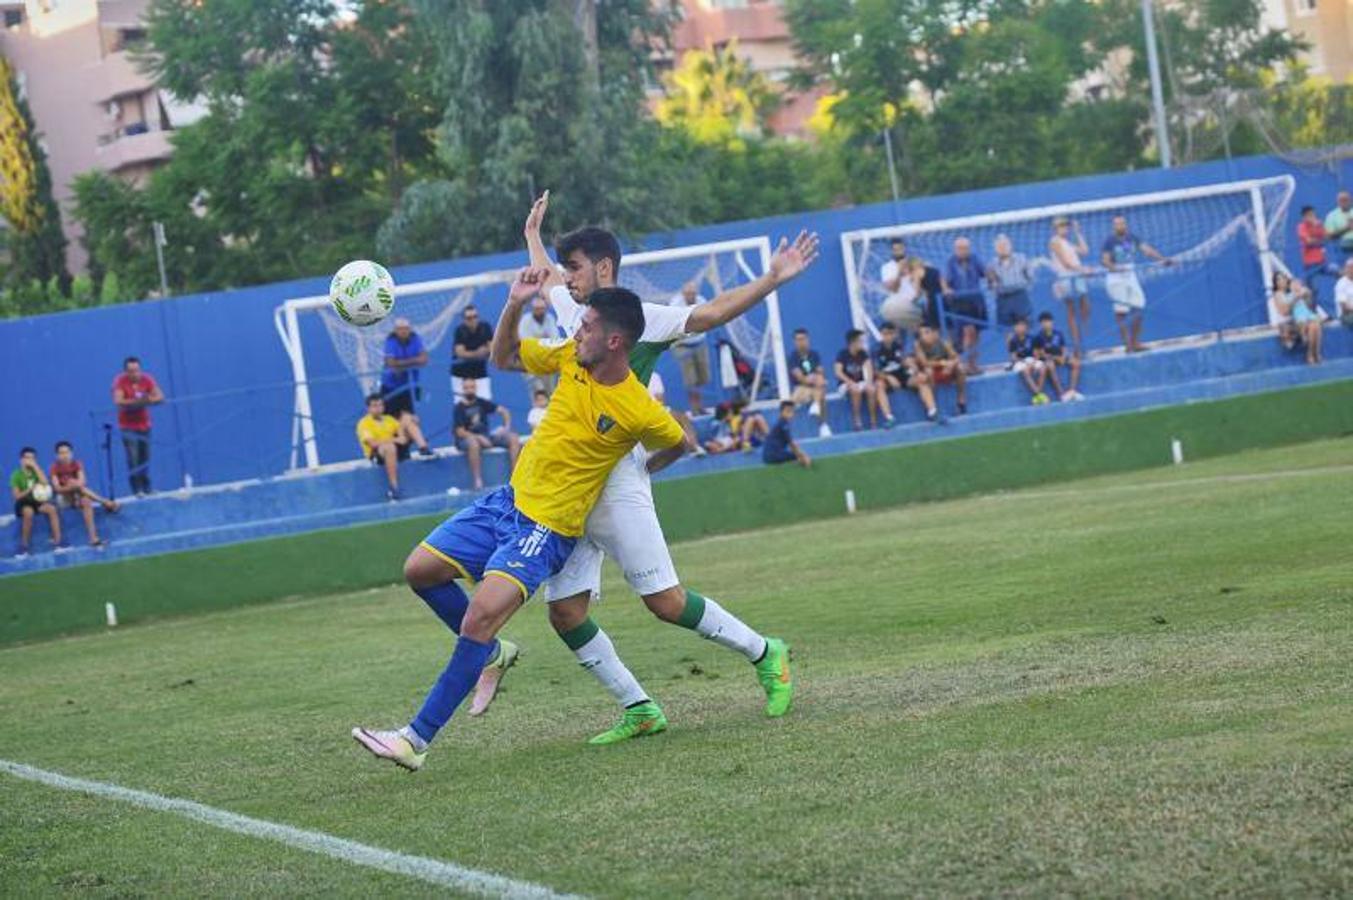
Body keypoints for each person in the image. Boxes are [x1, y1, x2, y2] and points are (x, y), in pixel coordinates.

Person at [352, 268, 691, 771]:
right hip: (505, 503)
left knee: (480, 617)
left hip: (545, 529)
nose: (577, 331)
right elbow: (504, 357)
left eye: (588, 326)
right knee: (420, 571)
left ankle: (414, 739)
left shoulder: (638, 408)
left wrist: (641, 469)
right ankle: (489, 656)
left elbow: (680, 443)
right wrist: (513, 304)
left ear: (615, 340)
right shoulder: (570, 357)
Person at [521, 192, 811, 743]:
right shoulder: (576, 312)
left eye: (575, 267)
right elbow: (544, 278)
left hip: (616, 479)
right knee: (564, 613)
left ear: (604, 268)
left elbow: (711, 312)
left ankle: (764, 651)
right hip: (569, 485)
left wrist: (772, 278)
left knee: (665, 602)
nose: (567, 278)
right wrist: (532, 235)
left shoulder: (644, 318)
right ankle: (640, 708)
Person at [1100, 215, 1173, 354]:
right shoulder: (1109, 241)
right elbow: (1105, 260)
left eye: (1122, 223)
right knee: (1121, 311)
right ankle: (1127, 344)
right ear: (1113, 226)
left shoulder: (1132, 238)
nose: (1120, 226)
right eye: (1117, 224)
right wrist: (1114, 268)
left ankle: (1136, 342)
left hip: (1130, 275)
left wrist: (1162, 259)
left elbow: (1147, 250)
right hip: (1116, 278)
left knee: (1139, 306)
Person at [453, 378, 521, 491]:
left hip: (486, 436)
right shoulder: (459, 408)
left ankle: (515, 476)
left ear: (476, 388)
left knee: (513, 437)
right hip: (466, 440)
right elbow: (460, 431)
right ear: (463, 390)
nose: (469, 390)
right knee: (473, 443)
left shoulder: (481, 402)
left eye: (472, 387)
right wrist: (478, 438)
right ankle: (477, 480)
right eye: (466, 388)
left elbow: (504, 411)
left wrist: (506, 427)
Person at [380, 318, 435, 458]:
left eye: (406, 328)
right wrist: (412, 361)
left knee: (409, 418)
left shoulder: (415, 338)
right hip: (390, 387)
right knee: (392, 421)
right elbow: (391, 363)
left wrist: (402, 364)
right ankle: (409, 449)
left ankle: (419, 447)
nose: (403, 331)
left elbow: (424, 359)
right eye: (400, 329)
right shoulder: (390, 341)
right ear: (395, 330)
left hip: (408, 387)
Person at [50, 440, 118, 549]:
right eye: (61, 453)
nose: (64, 455)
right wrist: (71, 486)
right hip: (64, 499)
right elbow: (57, 488)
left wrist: (74, 484)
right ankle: (105, 502)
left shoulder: (76, 464)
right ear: (57, 455)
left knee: (86, 500)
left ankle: (93, 539)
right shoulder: (54, 467)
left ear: (71, 453)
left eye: (67, 452)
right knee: (78, 487)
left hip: (77, 495)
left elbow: (83, 481)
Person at [111, 356, 163, 496]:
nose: (134, 374)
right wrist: (138, 402)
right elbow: (118, 400)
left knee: (145, 457)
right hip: (127, 426)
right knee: (133, 458)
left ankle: (147, 487)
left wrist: (147, 400)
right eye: (131, 371)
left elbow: (160, 397)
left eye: (136, 370)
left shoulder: (147, 379)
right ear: (125, 372)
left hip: (144, 424)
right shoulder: (120, 381)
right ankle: (137, 489)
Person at [873, 322, 940, 425]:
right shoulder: (875, 349)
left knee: (921, 380)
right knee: (879, 385)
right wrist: (888, 377)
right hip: (887, 378)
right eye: (885, 334)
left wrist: (914, 369)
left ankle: (933, 412)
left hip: (902, 375)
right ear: (881, 335)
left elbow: (906, 361)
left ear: (894, 334)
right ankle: (889, 417)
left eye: (890, 333)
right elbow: (875, 371)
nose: (888, 336)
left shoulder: (899, 346)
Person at [940, 236, 988, 373]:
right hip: (960, 301)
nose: (963, 251)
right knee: (968, 332)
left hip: (976, 301)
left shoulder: (975, 259)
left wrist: (992, 278)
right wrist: (946, 289)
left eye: (965, 248)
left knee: (976, 334)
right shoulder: (950, 261)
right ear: (955, 249)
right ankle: (965, 364)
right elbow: (944, 279)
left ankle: (973, 363)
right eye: (960, 248)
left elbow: (985, 272)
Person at [1049, 216, 1093, 357]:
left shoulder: (1067, 242)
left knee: (1085, 307)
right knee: (1071, 311)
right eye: (1061, 226)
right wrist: (1083, 269)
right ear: (1055, 229)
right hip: (1066, 278)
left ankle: (1081, 339)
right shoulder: (1054, 242)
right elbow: (1066, 262)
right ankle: (1077, 346)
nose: (1064, 229)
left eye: (1066, 226)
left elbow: (1085, 251)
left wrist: (1078, 233)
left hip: (1077, 277)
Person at [356, 393, 411, 501]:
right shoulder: (364, 423)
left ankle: (425, 449)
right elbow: (373, 443)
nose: (378, 408)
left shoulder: (389, 419)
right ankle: (394, 487)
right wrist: (394, 440)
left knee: (408, 420)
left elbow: (403, 439)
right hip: (376, 454)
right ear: (368, 408)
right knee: (389, 447)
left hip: (395, 449)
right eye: (375, 406)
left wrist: (398, 439)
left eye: (380, 405)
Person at [11, 447, 63, 557]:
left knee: (52, 509)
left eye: (33, 458)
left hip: (37, 502)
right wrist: (30, 489)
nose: (30, 460)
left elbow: (45, 483)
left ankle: (58, 544)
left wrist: (35, 467)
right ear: (21, 460)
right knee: (28, 513)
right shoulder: (16, 475)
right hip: (23, 503)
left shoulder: (36, 472)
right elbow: (17, 496)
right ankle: (24, 547)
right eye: (27, 458)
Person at [670, 282, 711, 414]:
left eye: (693, 293)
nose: (690, 296)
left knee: (702, 378)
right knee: (691, 380)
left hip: (699, 342)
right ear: (683, 294)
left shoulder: (702, 301)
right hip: (683, 346)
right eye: (688, 294)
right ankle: (695, 408)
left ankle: (700, 406)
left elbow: (706, 320)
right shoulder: (675, 304)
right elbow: (679, 326)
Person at [914, 324, 967, 415]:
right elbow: (924, 363)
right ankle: (933, 405)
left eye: (927, 332)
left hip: (946, 370)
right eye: (921, 334)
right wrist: (942, 363)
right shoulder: (918, 345)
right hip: (932, 371)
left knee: (961, 368)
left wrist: (951, 365)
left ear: (935, 333)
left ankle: (961, 400)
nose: (924, 336)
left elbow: (956, 358)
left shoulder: (944, 343)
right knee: (928, 371)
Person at [1032, 311, 1084, 401]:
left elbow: (1063, 348)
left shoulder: (1058, 333)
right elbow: (1039, 354)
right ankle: (1061, 394)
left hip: (1060, 357)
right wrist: (1055, 358)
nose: (1046, 324)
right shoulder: (1038, 337)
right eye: (1044, 322)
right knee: (1050, 366)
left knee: (1076, 363)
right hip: (1048, 359)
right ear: (1041, 324)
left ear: (1052, 322)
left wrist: (1063, 356)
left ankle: (1072, 391)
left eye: (1048, 321)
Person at [789, 328, 831, 437]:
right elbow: (799, 377)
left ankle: (816, 406)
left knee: (820, 386)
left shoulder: (814, 355)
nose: (801, 342)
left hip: (815, 387)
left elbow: (821, 371)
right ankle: (823, 425)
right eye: (798, 340)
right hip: (801, 388)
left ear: (808, 340)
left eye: (803, 339)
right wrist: (812, 378)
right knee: (820, 388)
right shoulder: (793, 357)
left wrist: (817, 378)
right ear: (794, 342)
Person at [1297, 205, 1340, 311]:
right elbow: (1308, 241)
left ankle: (1341, 307)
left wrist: (1318, 234)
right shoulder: (1301, 227)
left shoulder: (1319, 224)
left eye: (1314, 214)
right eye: (1310, 215)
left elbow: (1326, 237)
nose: (1313, 216)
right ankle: (1313, 314)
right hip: (1310, 264)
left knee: (1339, 273)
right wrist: (1319, 241)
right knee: (1313, 290)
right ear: (1305, 216)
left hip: (1322, 262)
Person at [834, 328, 877, 430]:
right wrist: (850, 382)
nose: (862, 343)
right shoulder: (842, 354)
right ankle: (857, 420)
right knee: (855, 390)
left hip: (859, 382)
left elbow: (869, 367)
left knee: (871, 389)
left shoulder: (863, 353)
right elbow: (838, 372)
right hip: (845, 384)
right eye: (860, 341)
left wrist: (869, 382)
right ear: (853, 342)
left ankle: (873, 421)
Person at [988, 234, 1034, 327]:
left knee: (1024, 327)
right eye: (1000, 246)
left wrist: (1025, 287)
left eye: (1005, 245)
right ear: (996, 249)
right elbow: (991, 285)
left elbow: (1030, 276)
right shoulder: (992, 264)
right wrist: (993, 283)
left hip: (1020, 297)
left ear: (1011, 245)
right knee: (1006, 328)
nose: (1003, 248)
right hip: (1003, 300)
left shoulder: (1021, 258)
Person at [516, 295, 559, 396]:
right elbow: (527, 344)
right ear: (532, 309)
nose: (539, 311)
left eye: (542, 308)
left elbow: (555, 340)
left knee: (552, 393)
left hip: (548, 363)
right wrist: (544, 343)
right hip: (531, 364)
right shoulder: (526, 320)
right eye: (537, 309)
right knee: (538, 393)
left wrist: (542, 345)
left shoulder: (549, 318)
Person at [879, 239, 925, 331]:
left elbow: (923, 282)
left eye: (900, 249)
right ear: (892, 251)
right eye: (895, 250)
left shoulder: (914, 262)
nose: (898, 252)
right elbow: (893, 289)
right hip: (900, 306)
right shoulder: (886, 267)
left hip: (917, 304)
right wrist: (899, 272)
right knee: (889, 309)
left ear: (904, 248)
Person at [451, 305, 494, 399]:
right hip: (460, 374)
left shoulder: (485, 327)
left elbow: (492, 348)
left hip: (479, 372)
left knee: (485, 401)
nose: (473, 320)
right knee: (462, 405)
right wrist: (478, 353)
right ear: (464, 320)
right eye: (469, 318)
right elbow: (460, 353)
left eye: (475, 316)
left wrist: (484, 351)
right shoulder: (459, 331)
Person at [1006, 316, 1048, 405]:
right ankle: (1038, 394)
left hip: (1031, 359)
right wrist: (1025, 362)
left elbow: (1036, 354)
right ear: (1014, 328)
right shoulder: (1013, 340)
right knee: (1025, 370)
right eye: (1018, 326)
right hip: (1020, 362)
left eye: (1022, 325)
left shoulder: (1032, 338)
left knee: (1043, 368)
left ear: (1026, 327)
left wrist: (1033, 362)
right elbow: (1013, 357)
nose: (1020, 328)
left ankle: (1037, 395)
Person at [763, 401, 810, 467]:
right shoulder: (783, 424)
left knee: (797, 456)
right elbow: (792, 444)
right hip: (773, 455)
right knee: (801, 458)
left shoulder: (782, 423)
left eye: (792, 411)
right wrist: (803, 455)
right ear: (781, 412)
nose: (790, 414)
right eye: (788, 411)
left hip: (771, 456)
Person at [1288, 278, 1324, 365]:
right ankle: (1310, 354)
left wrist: (1305, 295)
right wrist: (1297, 297)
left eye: (1298, 284)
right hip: (1300, 317)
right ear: (1290, 287)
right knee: (1312, 326)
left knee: (1316, 326)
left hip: (1309, 315)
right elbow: (1289, 309)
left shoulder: (1305, 293)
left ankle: (1316, 352)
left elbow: (1311, 304)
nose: (1296, 286)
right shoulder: (1289, 296)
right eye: (1294, 284)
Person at [1270, 271, 1304, 351]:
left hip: (1296, 320)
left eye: (1283, 278)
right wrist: (1295, 299)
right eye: (1278, 280)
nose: (1281, 281)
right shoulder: (1278, 294)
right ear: (1276, 283)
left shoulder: (1291, 291)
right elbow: (1284, 312)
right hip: (1285, 323)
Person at [1324, 191, 1353, 263]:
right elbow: (1328, 236)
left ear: (1351, 200)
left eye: (1346, 199)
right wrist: (1346, 228)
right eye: (1341, 200)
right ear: (1338, 202)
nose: (1344, 202)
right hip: (1343, 247)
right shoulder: (1331, 216)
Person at [1337, 259, 1353, 328]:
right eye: (1350, 268)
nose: (1351, 270)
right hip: (1345, 315)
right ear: (1346, 269)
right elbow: (1344, 307)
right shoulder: (1341, 283)